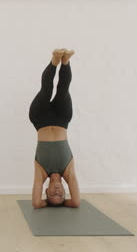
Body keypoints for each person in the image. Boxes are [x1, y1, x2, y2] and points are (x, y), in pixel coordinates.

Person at [29, 48, 80, 208]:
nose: (57, 191)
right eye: (61, 194)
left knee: (46, 91)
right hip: (62, 119)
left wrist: (46, 203)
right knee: (63, 91)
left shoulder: (41, 172)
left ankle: (54, 60)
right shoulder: (68, 172)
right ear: (66, 190)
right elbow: (76, 202)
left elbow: (36, 204)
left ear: (46, 189)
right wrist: (65, 203)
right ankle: (65, 61)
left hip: (39, 118)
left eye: (52, 194)